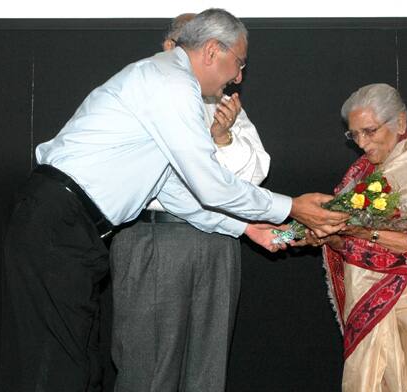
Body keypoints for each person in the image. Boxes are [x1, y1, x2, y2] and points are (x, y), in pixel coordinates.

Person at [0, 9, 348, 392]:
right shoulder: (170, 82)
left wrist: (247, 227)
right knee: (54, 366)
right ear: (213, 51)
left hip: (71, 230)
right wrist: (291, 207)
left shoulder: (167, 86)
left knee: (79, 365)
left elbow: (175, 192)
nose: (240, 77)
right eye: (239, 62)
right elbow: (209, 184)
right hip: (58, 221)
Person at [109, 13, 271, 392]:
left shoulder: (223, 103)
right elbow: (178, 181)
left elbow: (257, 169)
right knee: (148, 371)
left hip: (218, 242)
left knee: (207, 370)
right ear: (171, 47)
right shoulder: (147, 88)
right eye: (188, 42)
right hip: (157, 238)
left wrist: (222, 139)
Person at [295, 83, 407, 391]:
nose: (362, 143)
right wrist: (326, 237)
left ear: (400, 123)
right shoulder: (360, 175)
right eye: (354, 135)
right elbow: (350, 244)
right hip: (371, 310)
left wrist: (357, 230)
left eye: (370, 131)